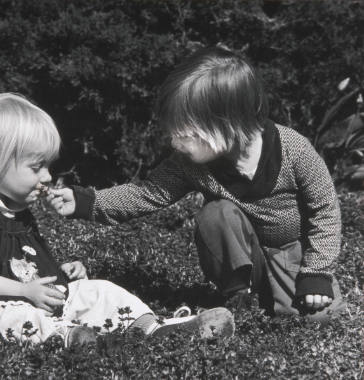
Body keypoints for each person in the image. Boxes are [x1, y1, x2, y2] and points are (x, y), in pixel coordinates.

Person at [48, 47, 347, 321]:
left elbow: (326, 213)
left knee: (320, 318)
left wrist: (316, 272)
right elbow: (147, 193)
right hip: (245, 259)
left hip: (293, 254)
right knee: (216, 213)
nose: (174, 143)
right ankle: (238, 296)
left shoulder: (295, 149)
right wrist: (88, 201)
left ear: (225, 124)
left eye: (184, 134)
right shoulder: (190, 165)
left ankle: (282, 293)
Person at [0, 92, 235, 347]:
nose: (46, 177)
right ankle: (73, 342)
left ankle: (154, 330)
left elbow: (20, 266)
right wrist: (23, 292)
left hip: (36, 303)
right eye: (36, 167)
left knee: (99, 290)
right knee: (17, 320)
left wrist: (58, 273)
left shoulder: (18, 214)